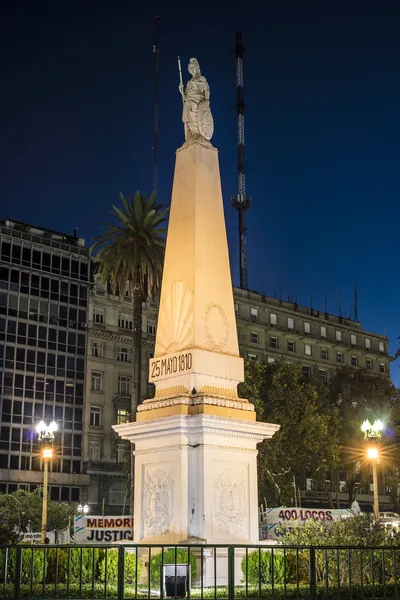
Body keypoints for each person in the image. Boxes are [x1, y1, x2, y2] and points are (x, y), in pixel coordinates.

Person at [179, 58, 211, 141]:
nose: (192, 70)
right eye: (190, 68)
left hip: (198, 101)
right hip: (189, 102)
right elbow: (186, 95)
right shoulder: (189, 82)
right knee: (190, 121)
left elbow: (206, 89)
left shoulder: (202, 78)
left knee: (197, 118)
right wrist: (182, 92)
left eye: (193, 67)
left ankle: (199, 135)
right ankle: (192, 137)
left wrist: (207, 100)